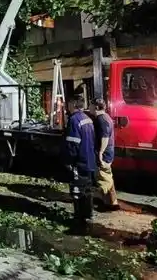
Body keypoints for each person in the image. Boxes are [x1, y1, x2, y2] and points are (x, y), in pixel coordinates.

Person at [65, 95, 97, 234]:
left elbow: (73, 143)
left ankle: (79, 219)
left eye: (68, 104)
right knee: (88, 189)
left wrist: (69, 161)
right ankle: (89, 215)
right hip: (89, 160)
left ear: (72, 104)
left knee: (77, 191)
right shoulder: (87, 118)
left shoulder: (74, 120)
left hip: (79, 162)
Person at [91, 98, 118, 211]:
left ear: (96, 107)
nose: (89, 107)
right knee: (107, 177)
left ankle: (106, 203)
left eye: (91, 105)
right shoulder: (106, 117)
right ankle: (112, 202)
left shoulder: (101, 119)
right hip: (108, 151)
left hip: (104, 152)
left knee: (103, 178)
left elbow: (104, 137)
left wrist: (100, 153)